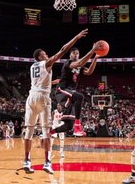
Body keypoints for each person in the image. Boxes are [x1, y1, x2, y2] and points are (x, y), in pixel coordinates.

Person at [23, 29, 90, 174]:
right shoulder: (46, 63)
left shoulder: (32, 66)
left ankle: (26, 161)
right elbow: (63, 50)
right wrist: (76, 37)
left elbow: (43, 81)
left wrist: (56, 81)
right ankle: (47, 162)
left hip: (31, 97)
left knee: (29, 130)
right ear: (41, 56)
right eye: (45, 54)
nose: (47, 55)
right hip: (42, 98)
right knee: (46, 131)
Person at [52, 43, 102, 137]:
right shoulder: (68, 63)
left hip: (70, 93)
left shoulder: (80, 66)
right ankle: (78, 126)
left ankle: (50, 132)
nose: (76, 55)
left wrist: (95, 59)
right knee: (80, 96)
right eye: (74, 53)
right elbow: (79, 63)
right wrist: (92, 50)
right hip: (62, 90)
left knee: (68, 126)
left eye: (77, 53)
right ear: (70, 55)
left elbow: (89, 72)